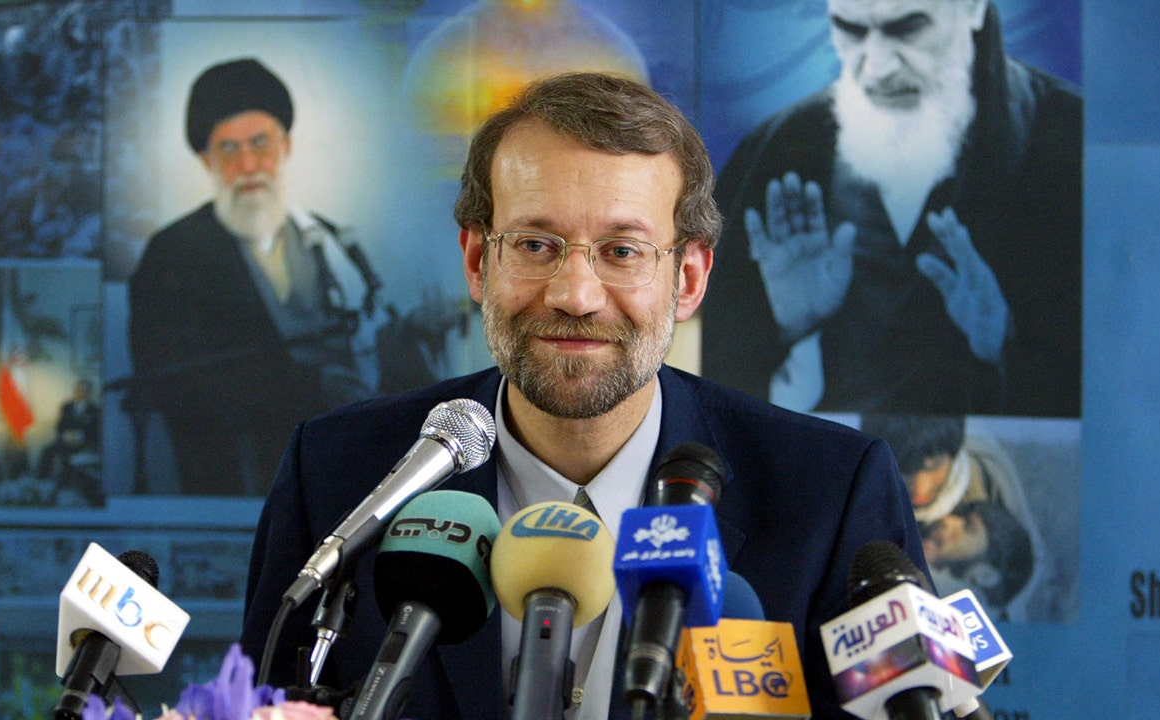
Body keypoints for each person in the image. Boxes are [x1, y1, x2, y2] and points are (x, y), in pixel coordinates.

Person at [241, 72, 927, 720]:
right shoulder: (337, 474)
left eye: (622, 251)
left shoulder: (831, 493)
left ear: (688, 279)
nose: (575, 295)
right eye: (536, 245)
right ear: (478, 262)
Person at [701, 0, 1081, 417]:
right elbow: (715, 396)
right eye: (851, 31)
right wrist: (791, 330)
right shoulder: (779, 148)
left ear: (972, 8)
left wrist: (1003, 340)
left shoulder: (1071, 139)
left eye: (907, 28)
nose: (877, 68)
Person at [127, 57, 388, 496]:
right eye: (229, 149)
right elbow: (177, 381)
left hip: (335, 470)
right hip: (233, 478)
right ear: (206, 160)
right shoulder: (171, 254)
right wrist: (313, 387)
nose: (248, 164)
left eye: (260, 143)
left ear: (285, 146)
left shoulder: (327, 240)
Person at [860, 413, 1043, 619]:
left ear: (953, 454)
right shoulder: (865, 488)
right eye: (905, 470)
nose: (920, 488)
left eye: (934, 466)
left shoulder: (984, 474)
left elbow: (1023, 558)